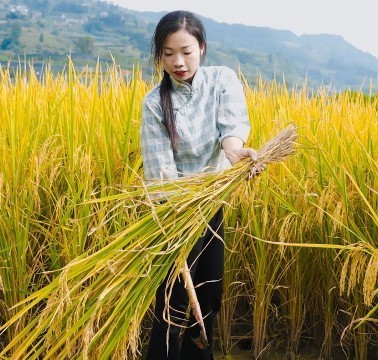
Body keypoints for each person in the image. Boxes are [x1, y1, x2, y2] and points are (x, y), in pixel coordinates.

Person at [140, 10, 263, 360]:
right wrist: (177, 218)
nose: (178, 61)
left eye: (186, 51)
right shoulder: (154, 104)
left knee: (209, 294)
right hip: (174, 214)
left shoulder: (222, 80)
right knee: (173, 300)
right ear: (159, 56)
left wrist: (237, 153)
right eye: (168, 53)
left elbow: (231, 130)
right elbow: (161, 173)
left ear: (202, 49)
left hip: (211, 207)